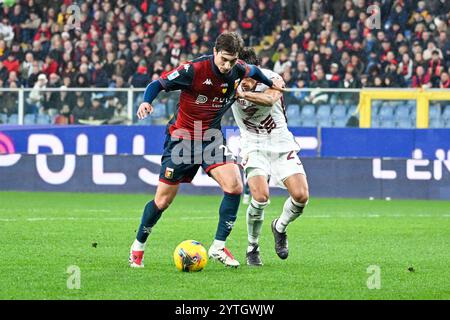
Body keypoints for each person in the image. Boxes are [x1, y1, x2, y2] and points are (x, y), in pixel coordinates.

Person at [129, 32, 284, 268]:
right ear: (215, 52)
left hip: (211, 138)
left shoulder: (238, 69)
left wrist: (272, 84)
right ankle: (138, 247)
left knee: (234, 186)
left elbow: (254, 71)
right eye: (224, 59)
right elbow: (157, 84)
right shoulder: (193, 70)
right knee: (162, 202)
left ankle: (218, 247)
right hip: (182, 138)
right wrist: (146, 101)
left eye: (232, 61)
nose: (227, 65)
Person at [231, 48, 309, 266]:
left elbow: (270, 99)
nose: (243, 82)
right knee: (260, 196)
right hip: (253, 145)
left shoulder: (273, 79)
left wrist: (243, 94)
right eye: (240, 78)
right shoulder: (229, 82)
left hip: (281, 144)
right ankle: (252, 247)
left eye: (247, 77)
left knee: (301, 196)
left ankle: (279, 227)